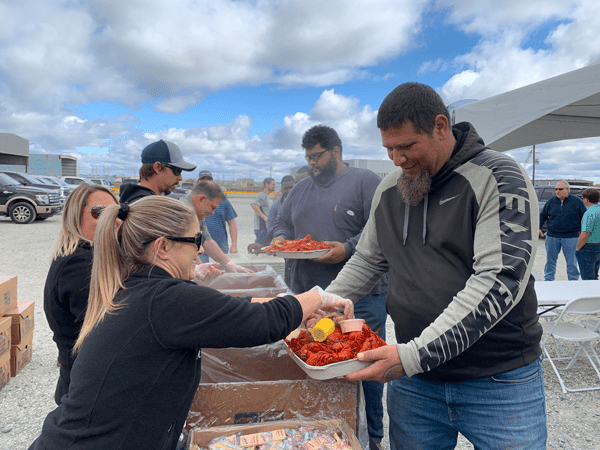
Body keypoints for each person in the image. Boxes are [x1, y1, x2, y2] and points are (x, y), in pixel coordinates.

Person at [29, 196, 354, 450]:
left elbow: (235, 308)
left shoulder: (139, 287)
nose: (200, 253)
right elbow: (262, 323)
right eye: (194, 242)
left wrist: (298, 307)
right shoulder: (165, 299)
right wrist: (319, 297)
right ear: (164, 247)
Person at [325, 82, 546, 449]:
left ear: (441, 127)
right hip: (416, 383)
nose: (396, 159)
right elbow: (367, 259)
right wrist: (325, 301)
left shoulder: (499, 177)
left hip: (499, 381)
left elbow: (499, 281)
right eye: (389, 149)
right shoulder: (391, 188)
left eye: (406, 146)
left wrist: (413, 356)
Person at [272, 125, 388, 450]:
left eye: (317, 156)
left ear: (336, 151)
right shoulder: (300, 188)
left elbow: (379, 232)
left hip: (361, 298)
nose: (312, 163)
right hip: (311, 298)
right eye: (308, 157)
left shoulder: (366, 182)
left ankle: (374, 437)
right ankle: (328, 431)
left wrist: (346, 248)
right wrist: (280, 237)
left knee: (366, 363)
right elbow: (282, 220)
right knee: (319, 361)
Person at [43, 184, 118, 405]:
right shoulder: (78, 265)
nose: (110, 220)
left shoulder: (91, 257)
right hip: (85, 391)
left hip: (86, 383)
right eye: (99, 212)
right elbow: (107, 333)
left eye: (116, 212)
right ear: (75, 217)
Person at [181, 180, 250, 273]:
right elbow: (185, 247)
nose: (213, 212)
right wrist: (199, 268)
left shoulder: (198, 213)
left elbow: (206, 240)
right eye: (212, 207)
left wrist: (229, 263)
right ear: (201, 199)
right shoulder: (184, 212)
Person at [119, 139, 196, 202]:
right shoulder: (149, 208)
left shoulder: (132, 199)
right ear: (157, 167)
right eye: (177, 170)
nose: (180, 177)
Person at [539, 180, 587, 280]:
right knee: (550, 261)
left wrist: (583, 232)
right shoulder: (551, 202)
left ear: (567, 190)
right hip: (552, 236)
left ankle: (573, 281)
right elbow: (543, 215)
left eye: (560, 189)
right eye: (556, 189)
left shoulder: (577, 201)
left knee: (572, 262)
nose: (558, 191)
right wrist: (539, 227)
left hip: (571, 237)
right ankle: (548, 281)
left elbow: (584, 217)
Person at [194, 170, 239, 263]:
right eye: (203, 180)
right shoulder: (193, 201)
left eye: (209, 180)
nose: (206, 183)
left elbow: (232, 223)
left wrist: (234, 244)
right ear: (197, 183)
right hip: (200, 248)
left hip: (220, 247)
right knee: (205, 273)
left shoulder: (223, 201)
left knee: (223, 272)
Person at [576, 188, 600, 280]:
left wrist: (577, 248)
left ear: (586, 199)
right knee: (595, 276)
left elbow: (585, 234)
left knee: (587, 278)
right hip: (598, 246)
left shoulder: (589, 213)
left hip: (589, 247)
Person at [251, 177, 275, 243]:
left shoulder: (267, 196)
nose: (274, 186)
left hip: (265, 228)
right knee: (260, 249)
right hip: (261, 228)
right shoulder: (262, 195)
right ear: (266, 184)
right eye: (273, 184)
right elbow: (254, 205)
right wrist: (264, 217)